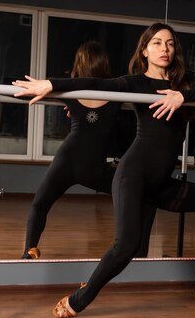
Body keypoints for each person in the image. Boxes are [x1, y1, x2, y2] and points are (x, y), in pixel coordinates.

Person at [13, 22, 195, 316]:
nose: (164, 49)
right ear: (144, 50)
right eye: (157, 43)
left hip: (160, 182)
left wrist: (181, 96)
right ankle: (80, 299)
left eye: (170, 43)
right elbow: (94, 85)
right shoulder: (135, 83)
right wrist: (51, 84)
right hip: (132, 175)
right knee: (127, 245)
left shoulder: (185, 83)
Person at [20, 41, 156, 260]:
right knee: (145, 196)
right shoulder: (116, 94)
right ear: (104, 64)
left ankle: (28, 250)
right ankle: (140, 253)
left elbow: (26, 91)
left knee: (40, 204)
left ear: (79, 64)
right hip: (93, 167)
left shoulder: (69, 89)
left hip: (68, 159)